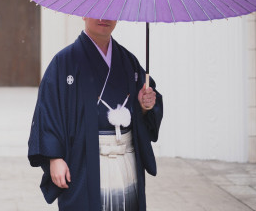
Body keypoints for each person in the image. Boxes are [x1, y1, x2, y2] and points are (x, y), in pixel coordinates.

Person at [28, 18, 163, 210]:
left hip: (126, 159)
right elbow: (48, 112)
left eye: (111, 11)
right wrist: (54, 158)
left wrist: (144, 105)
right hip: (84, 162)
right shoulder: (64, 62)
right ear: (83, 14)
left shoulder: (128, 61)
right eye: (97, 11)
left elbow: (146, 109)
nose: (104, 18)